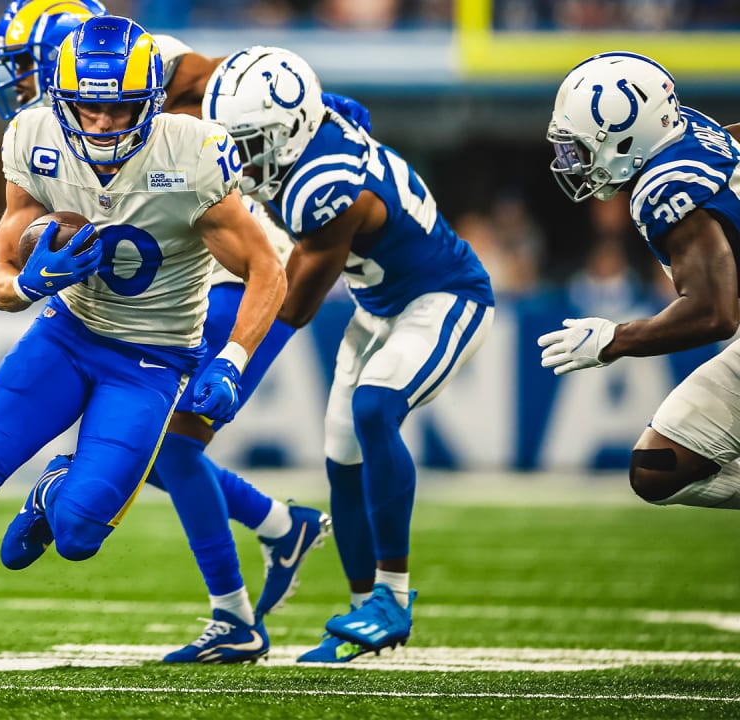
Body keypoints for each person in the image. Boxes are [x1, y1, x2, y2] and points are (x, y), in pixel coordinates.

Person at [0, 15, 285, 680]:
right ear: (59, 103)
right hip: (66, 335)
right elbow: (0, 276)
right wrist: (25, 283)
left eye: (119, 110)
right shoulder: (32, 133)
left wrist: (231, 360)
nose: (100, 125)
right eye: (86, 108)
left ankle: (53, 487)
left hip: (151, 359)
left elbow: (268, 269)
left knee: (81, 536)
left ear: (152, 103)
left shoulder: (193, 151)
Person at [0, 2, 357, 664]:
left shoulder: (147, 65)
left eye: (19, 63)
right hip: (192, 280)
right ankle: (275, 539)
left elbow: (244, 83)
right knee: (167, 452)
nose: (16, 81)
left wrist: (320, 116)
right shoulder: (63, 122)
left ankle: (242, 598)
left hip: (231, 278)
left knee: (167, 448)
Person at [203, 46, 495, 661]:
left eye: (246, 140)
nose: (233, 154)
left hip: (444, 297)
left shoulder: (325, 187)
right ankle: (366, 608)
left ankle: (393, 596)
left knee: (374, 408)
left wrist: (224, 353)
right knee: (341, 448)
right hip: (380, 303)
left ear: (286, 135)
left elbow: (294, 305)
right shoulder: (309, 135)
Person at [538, 51, 740, 511]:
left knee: (656, 469)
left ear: (625, 142)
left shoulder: (665, 189)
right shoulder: (685, 130)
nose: (572, 160)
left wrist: (614, 339)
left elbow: (715, 313)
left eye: (581, 147)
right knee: (659, 465)